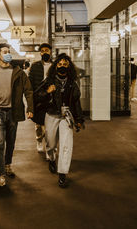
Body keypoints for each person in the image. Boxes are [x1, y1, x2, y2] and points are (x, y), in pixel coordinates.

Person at [0, 43, 34, 186]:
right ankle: (0, 174)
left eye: (9, 51)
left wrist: (30, 108)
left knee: (10, 142)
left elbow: (29, 91)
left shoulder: (18, 72)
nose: (8, 54)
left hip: (13, 112)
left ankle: (8, 164)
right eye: (5, 52)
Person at [34, 53, 84, 188]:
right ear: (56, 66)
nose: (62, 67)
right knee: (50, 143)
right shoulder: (48, 81)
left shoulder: (72, 84)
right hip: (51, 115)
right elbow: (36, 96)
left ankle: (62, 172)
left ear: (69, 67)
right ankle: (51, 158)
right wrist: (47, 92)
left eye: (65, 65)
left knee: (66, 145)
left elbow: (76, 102)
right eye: (60, 64)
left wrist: (79, 119)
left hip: (66, 116)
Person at [28, 43, 52, 155]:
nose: (44, 52)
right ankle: (39, 140)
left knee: (49, 125)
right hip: (38, 98)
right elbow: (30, 83)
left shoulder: (54, 66)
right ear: (40, 53)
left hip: (50, 99)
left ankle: (49, 147)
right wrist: (31, 99)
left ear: (50, 51)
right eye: (42, 51)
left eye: (46, 50)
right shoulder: (35, 66)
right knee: (38, 124)